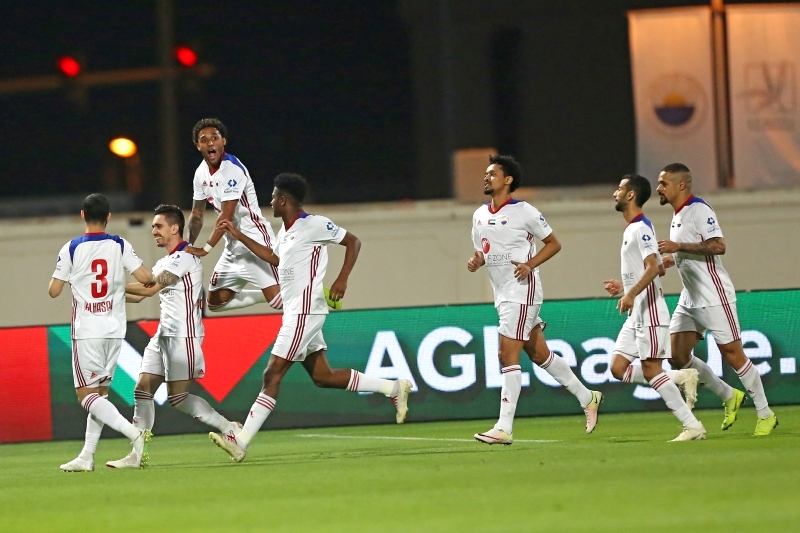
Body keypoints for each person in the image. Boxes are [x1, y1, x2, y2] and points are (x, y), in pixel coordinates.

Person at [198, 173, 412, 462]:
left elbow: (353, 242)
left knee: (272, 373)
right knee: (323, 376)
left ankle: (241, 439)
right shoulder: (285, 233)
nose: (270, 201)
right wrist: (238, 236)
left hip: (305, 310)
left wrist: (342, 279)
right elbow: (273, 258)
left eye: (273, 197)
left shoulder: (313, 224)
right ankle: (393, 387)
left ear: (283, 200)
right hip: (297, 311)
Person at [468, 155, 603, 446]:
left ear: (508, 180)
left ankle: (504, 427)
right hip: (502, 292)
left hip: (522, 290)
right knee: (539, 354)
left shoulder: (525, 211)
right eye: (486, 173)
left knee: (507, 356)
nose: (486, 177)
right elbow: (484, 250)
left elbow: (553, 243)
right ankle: (587, 396)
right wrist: (477, 260)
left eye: (492, 173)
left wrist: (530, 265)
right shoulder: (479, 215)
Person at [106, 205, 241, 468]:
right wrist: (107, 293)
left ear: (174, 228)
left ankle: (230, 428)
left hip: (183, 337)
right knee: (142, 390)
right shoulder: (163, 262)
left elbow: (148, 290)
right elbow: (141, 291)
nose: (154, 231)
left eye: (158, 226)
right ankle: (136, 456)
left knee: (178, 398)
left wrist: (108, 285)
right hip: (162, 336)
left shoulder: (186, 258)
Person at [656, 163, 778, 436]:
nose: (658, 188)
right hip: (690, 298)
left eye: (663, 183)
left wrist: (679, 247)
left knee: (733, 355)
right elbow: (687, 254)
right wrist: (668, 260)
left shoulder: (699, 209)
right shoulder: (678, 215)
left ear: (681, 185)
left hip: (714, 295)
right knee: (676, 355)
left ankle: (765, 413)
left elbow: (718, 246)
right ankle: (728, 395)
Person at [48, 194, 155, 471]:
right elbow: (146, 278)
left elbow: (53, 291)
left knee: (86, 396)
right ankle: (87, 456)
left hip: (87, 331)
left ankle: (134, 434)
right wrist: (116, 284)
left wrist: (71, 277)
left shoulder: (71, 248)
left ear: (83, 215)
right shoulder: (119, 244)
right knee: (101, 395)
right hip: (114, 329)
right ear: (109, 217)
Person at [603, 175, 706, 441]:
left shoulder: (641, 227)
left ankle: (692, 426)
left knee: (651, 370)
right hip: (636, 311)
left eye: (619, 188)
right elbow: (657, 267)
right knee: (617, 368)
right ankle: (681, 376)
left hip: (649, 312)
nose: (615, 193)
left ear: (630, 195)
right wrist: (625, 289)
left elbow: (652, 267)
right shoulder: (630, 229)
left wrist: (631, 294)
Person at [183, 118, 284, 312]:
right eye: (204, 139)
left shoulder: (232, 170)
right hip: (232, 245)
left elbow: (226, 217)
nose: (210, 142)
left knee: (279, 302)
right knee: (215, 303)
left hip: (254, 238)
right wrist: (188, 245)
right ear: (197, 146)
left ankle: (314, 294)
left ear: (224, 142)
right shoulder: (200, 174)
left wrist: (205, 248)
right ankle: (266, 294)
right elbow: (197, 214)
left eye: (215, 138)